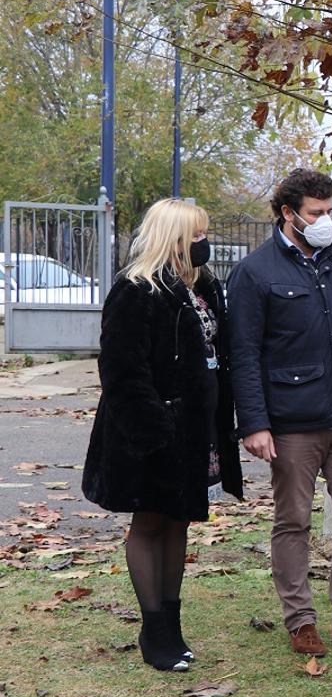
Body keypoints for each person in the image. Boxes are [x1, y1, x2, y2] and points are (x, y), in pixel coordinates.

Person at [227, 168, 332, 658]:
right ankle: (300, 620)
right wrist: (254, 423)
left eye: (330, 211)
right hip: (291, 420)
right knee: (293, 521)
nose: (326, 221)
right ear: (288, 213)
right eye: (316, 213)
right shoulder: (255, 271)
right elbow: (243, 353)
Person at [83, 198, 243, 672]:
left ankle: (171, 624)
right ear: (172, 238)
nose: (203, 243)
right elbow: (121, 371)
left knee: (179, 521)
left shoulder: (204, 288)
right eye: (196, 235)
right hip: (151, 433)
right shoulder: (136, 289)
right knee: (150, 522)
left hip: (196, 429)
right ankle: (154, 630)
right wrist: (154, 433)